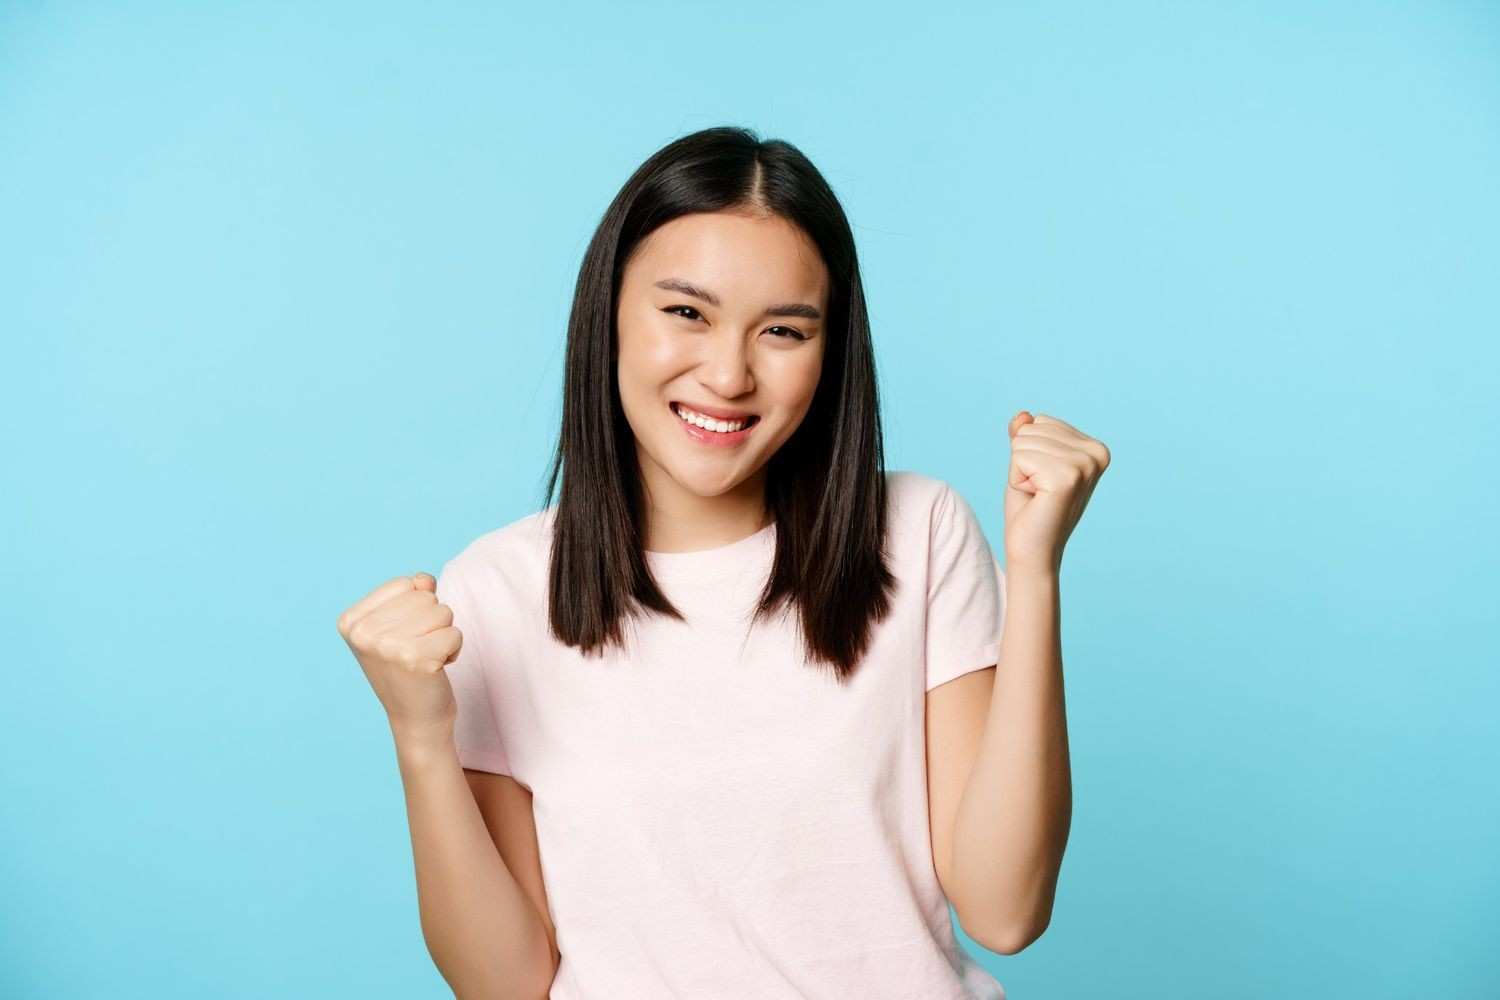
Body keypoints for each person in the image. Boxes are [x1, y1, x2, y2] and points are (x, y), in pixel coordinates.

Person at [337, 125, 1107, 999]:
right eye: (687, 313)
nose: (730, 375)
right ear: (610, 312)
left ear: (830, 355)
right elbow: (505, 984)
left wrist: (1035, 571)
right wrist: (421, 739)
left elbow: (1006, 911)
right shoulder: (500, 591)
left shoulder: (918, 531)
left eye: (782, 330)